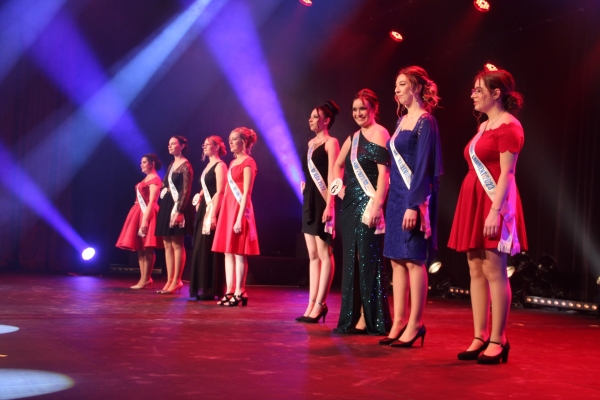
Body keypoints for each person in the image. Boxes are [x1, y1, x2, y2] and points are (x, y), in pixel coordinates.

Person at [448, 68, 527, 364]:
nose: (473, 94)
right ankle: (479, 335)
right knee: (475, 269)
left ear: (496, 94)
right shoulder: (484, 125)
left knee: (494, 270)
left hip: (494, 202)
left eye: (478, 90)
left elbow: (508, 173)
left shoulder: (509, 127)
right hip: (473, 200)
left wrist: (496, 211)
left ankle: (498, 338)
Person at [380, 66, 443, 347]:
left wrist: (415, 205)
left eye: (402, 84)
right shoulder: (400, 122)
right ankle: (399, 321)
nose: (397, 90)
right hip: (395, 197)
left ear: (417, 88)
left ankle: (416, 323)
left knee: (414, 260)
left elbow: (423, 166)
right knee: (396, 259)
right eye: (396, 85)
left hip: (413, 199)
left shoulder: (425, 121)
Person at [331, 89, 392, 335]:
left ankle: (370, 318)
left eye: (363, 109)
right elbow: (337, 164)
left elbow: (385, 175)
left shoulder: (380, 132)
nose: (358, 113)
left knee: (368, 259)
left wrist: (377, 205)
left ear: (373, 109)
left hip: (370, 204)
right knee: (351, 260)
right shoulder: (352, 138)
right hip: (349, 206)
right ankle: (352, 316)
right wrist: (340, 189)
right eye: (355, 109)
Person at [297, 101, 340, 323]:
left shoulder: (331, 142)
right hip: (309, 200)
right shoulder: (311, 143)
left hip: (324, 201)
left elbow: (334, 175)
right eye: (311, 116)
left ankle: (321, 303)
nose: (311, 120)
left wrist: (330, 204)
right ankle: (311, 303)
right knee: (313, 255)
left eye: (315, 116)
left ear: (326, 120)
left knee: (325, 254)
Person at [212, 127, 259, 307]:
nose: (230, 142)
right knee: (227, 251)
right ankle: (230, 290)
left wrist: (240, 218)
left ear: (244, 142)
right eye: (229, 139)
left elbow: (247, 192)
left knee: (239, 252)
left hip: (240, 209)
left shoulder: (249, 162)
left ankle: (240, 290)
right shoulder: (232, 163)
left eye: (234, 139)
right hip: (228, 209)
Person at [116, 154, 164, 289]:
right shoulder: (147, 178)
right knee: (140, 248)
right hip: (138, 211)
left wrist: (145, 221)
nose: (141, 164)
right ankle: (143, 279)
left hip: (147, 213)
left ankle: (146, 278)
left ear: (152, 164)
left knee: (147, 247)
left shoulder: (155, 179)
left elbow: (153, 202)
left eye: (144, 162)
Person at [189, 136, 228, 300]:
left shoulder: (220, 166)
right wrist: (200, 194)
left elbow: (220, 191)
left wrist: (213, 214)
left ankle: (211, 288)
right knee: (199, 247)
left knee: (208, 247)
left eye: (208, 144)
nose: (204, 146)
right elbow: (207, 187)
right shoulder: (208, 166)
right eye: (203, 144)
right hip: (204, 207)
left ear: (217, 147)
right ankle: (202, 286)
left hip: (212, 208)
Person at [155, 136, 194, 294]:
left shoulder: (186, 165)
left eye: (173, 143)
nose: (169, 146)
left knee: (177, 244)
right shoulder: (172, 164)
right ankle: (169, 279)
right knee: (167, 244)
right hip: (167, 204)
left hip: (177, 206)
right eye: (169, 143)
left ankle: (177, 280)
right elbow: (166, 182)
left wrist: (179, 210)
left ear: (182, 146)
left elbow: (186, 190)